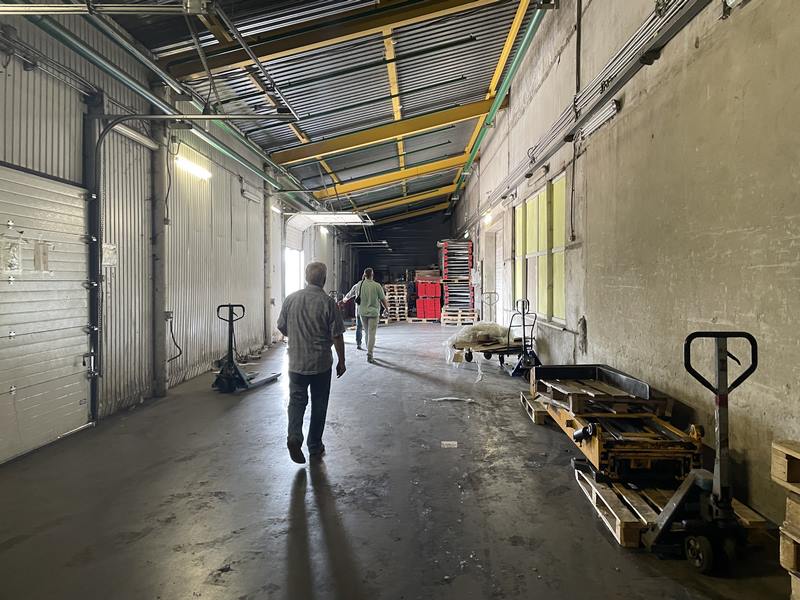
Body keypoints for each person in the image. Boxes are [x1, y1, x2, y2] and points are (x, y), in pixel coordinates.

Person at [277, 262, 346, 464]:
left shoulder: (291, 299)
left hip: (296, 362)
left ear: (306, 277)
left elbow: (281, 326)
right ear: (324, 279)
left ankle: (294, 437)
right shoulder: (328, 303)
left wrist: (297, 336)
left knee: (296, 401)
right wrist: (341, 361)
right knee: (319, 404)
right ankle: (314, 446)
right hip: (320, 364)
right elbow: (337, 335)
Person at [357, 268, 388, 363]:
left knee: (367, 332)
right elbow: (383, 299)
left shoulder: (359, 285)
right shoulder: (377, 286)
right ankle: (370, 354)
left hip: (362, 312)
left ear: (364, 275)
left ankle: (368, 350)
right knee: (372, 333)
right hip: (373, 313)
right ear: (372, 275)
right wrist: (387, 309)